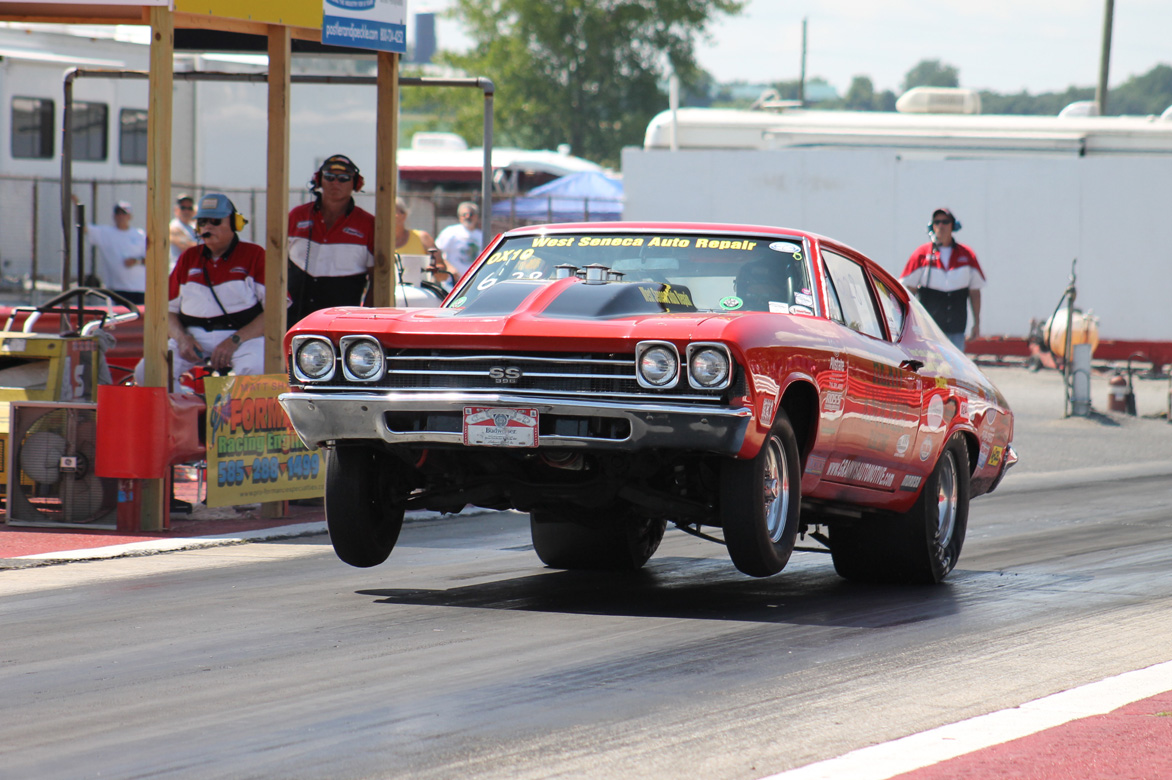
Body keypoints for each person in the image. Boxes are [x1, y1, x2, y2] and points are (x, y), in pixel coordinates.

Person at [141, 192, 270, 390]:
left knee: (254, 370)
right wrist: (182, 339)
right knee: (145, 373)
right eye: (202, 221)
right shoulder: (188, 258)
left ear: (235, 223)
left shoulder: (255, 255)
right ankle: (188, 407)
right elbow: (166, 310)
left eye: (215, 221)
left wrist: (235, 340)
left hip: (243, 338)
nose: (207, 227)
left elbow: (275, 312)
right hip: (193, 337)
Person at [286, 154, 375, 324]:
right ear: (319, 180)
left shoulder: (368, 224)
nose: (335, 183)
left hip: (343, 319)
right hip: (294, 315)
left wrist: (366, 317)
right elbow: (277, 264)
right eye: (329, 177)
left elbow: (377, 279)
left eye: (343, 178)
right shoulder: (297, 216)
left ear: (355, 184)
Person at [900, 207, 985, 351]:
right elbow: (908, 291)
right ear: (932, 226)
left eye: (945, 222)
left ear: (953, 225)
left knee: (955, 371)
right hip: (928, 330)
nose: (941, 226)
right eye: (937, 222)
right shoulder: (921, 254)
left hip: (956, 328)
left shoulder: (967, 255)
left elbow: (975, 292)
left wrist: (977, 323)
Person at [80, 199, 147, 304]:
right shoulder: (106, 233)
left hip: (139, 288)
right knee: (120, 319)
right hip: (117, 289)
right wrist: (76, 204)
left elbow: (152, 259)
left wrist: (136, 261)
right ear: (114, 216)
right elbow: (83, 228)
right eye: (118, 213)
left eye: (124, 214)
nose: (120, 216)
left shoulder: (140, 235)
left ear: (130, 216)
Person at [395, 197, 451, 285]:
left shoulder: (422, 238)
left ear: (404, 215)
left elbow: (443, 274)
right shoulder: (377, 241)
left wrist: (437, 270)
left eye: (393, 211)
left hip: (420, 296)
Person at [434, 201, 483, 285]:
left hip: (473, 282)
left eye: (470, 214)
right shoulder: (450, 232)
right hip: (452, 282)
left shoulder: (481, 236)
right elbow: (437, 252)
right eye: (464, 214)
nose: (467, 217)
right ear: (459, 217)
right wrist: (449, 267)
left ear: (476, 216)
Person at [169, 194, 199, 270]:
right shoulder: (173, 226)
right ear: (176, 210)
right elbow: (189, 248)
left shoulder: (192, 227)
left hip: (192, 270)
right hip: (179, 270)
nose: (186, 211)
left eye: (190, 208)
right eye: (183, 208)